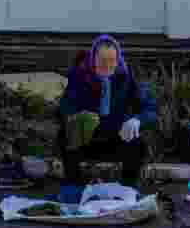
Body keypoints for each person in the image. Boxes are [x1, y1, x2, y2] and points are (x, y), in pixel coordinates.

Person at [57, 34, 157, 189]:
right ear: (93, 59)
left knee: (138, 143)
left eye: (112, 61)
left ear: (118, 60)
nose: (107, 65)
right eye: (102, 61)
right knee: (64, 136)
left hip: (115, 137)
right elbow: (65, 106)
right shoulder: (79, 75)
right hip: (86, 139)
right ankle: (73, 185)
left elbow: (149, 108)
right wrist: (77, 117)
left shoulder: (126, 77)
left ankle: (128, 187)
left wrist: (137, 119)